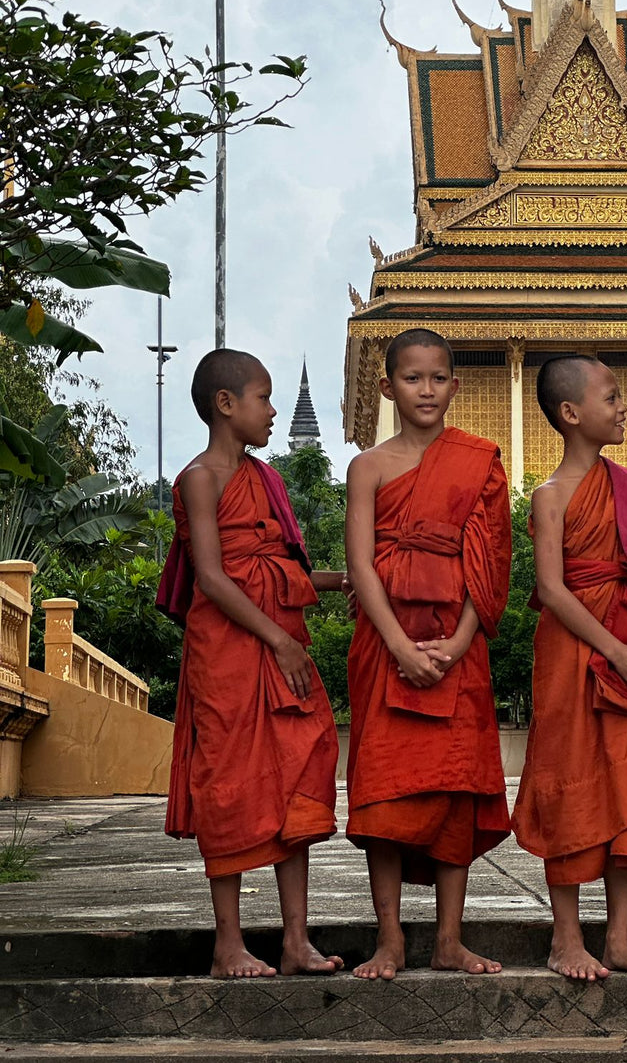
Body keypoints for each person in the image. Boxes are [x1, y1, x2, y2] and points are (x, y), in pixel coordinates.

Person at [511, 354, 627, 984]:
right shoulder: (552, 495)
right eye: (611, 396)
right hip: (574, 653)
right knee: (570, 784)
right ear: (570, 414)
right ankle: (566, 939)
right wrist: (612, 650)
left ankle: (620, 938)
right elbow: (554, 590)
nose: (623, 407)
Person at [162, 349, 342, 979]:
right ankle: (228, 944)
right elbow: (212, 578)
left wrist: (347, 580)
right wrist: (280, 641)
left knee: (296, 775)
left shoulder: (268, 479)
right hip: (232, 652)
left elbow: (280, 571)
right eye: (263, 399)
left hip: (279, 644)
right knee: (231, 783)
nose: (270, 412)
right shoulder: (200, 478)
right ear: (226, 404)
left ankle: (296, 942)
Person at [344, 328, 511, 980]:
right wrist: (397, 645)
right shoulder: (369, 466)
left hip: (455, 650)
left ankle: (447, 939)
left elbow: (490, 561)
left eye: (438, 377)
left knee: (454, 795)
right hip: (387, 648)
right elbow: (360, 564)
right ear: (388, 386)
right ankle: (390, 940)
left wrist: (464, 638)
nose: (426, 389)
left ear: (454, 386)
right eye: (413, 378)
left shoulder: (478, 460)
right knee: (384, 797)